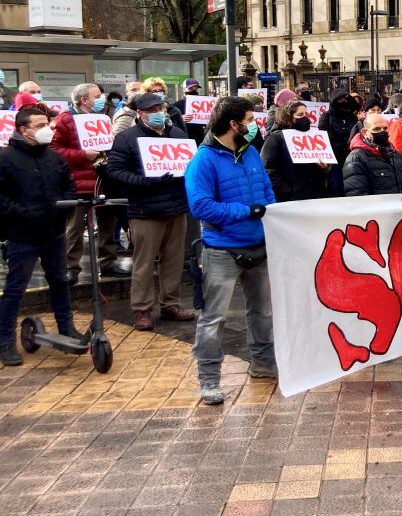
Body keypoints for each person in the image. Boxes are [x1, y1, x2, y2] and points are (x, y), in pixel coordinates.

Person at [185, 96, 277, 405]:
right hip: (223, 249)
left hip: (258, 245)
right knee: (215, 318)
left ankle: (264, 364)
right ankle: (209, 379)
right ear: (232, 124)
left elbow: (266, 190)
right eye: (249, 121)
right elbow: (200, 206)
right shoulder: (204, 160)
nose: (254, 126)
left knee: (262, 312)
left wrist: (272, 214)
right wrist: (245, 211)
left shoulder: (250, 152)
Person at [106, 93, 195, 331]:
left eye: (161, 108)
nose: (159, 113)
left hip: (176, 206)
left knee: (174, 260)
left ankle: (170, 303)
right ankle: (142, 309)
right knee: (144, 262)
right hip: (145, 209)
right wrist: (144, 182)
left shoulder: (177, 134)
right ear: (140, 113)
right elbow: (114, 170)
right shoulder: (127, 138)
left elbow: (191, 166)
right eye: (152, 109)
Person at [0, 107, 78, 366]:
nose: (49, 128)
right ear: (24, 129)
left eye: (48, 122)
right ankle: (6, 342)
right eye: (41, 124)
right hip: (23, 235)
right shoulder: (6, 158)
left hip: (54, 232)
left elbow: (69, 184)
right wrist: (23, 213)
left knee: (60, 282)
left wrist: (65, 206)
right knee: (15, 289)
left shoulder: (53, 157)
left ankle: (67, 328)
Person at [51, 83, 127, 283]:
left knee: (107, 223)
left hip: (103, 179)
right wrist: (82, 154)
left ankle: (108, 262)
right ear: (84, 100)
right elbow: (54, 150)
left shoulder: (103, 119)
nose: (102, 98)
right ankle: (70, 267)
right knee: (74, 227)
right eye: (98, 95)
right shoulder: (65, 120)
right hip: (77, 181)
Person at [261, 101, 330, 202]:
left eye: (306, 114)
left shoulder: (312, 137)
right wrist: (287, 192)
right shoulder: (276, 139)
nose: (305, 117)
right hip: (290, 199)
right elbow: (268, 169)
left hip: (312, 196)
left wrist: (324, 168)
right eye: (300, 114)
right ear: (288, 117)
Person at [343, 113, 402, 199]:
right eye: (376, 129)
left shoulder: (395, 154)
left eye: (385, 128)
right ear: (365, 132)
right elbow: (357, 197)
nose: (382, 132)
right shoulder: (356, 158)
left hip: (400, 211)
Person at [319, 88, 359, 168]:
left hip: (350, 156)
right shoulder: (326, 117)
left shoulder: (352, 117)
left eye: (345, 99)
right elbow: (322, 138)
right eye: (340, 100)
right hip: (334, 159)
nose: (343, 102)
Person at [174, 78, 207, 145]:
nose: (194, 90)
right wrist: (180, 119)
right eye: (190, 88)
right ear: (184, 89)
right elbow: (171, 123)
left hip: (199, 139)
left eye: (196, 88)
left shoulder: (203, 103)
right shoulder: (176, 105)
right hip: (184, 139)